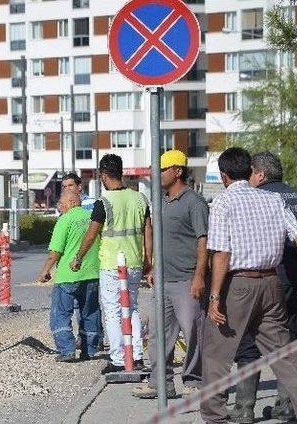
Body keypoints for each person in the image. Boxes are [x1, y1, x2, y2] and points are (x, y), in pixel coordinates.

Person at [201, 147, 297, 424]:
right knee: (285, 356)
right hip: (271, 283)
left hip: (238, 285)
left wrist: (215, 296)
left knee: (217, 355)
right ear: (249, 170)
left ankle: (215, 418)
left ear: (224, 175)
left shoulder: (222, 203)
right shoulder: (271, 200)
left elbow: (221, 253)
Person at [132, 150, 208, 399]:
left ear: (177, 171)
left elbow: (203, 241)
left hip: (187, 280)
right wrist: (153, 265)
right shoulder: (161, 201)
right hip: (163, 280)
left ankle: (194, 380)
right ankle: (160, 383)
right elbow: (162, 239)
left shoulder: (194, 202)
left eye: (162, 170)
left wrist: (199, 276)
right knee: (157, 336)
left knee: (193, 332)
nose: (157, 174)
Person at [70, 154, 152, 374]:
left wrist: (78, 257)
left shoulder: (103, 202)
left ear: (103, 175)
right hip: (134, 262)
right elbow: (148, 231)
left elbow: (91, 234)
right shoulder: (140, 199)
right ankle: (136, 355)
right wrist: (148, 260)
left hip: (111, 264)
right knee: (132, 308)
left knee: (114, 311)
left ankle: (117, 358)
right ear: (121, 172)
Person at [37, 191, 101, 362]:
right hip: (91, 274)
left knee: (60, 314)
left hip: (68, 275)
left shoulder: (65, 220)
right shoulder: (92, 218)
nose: (60, 206)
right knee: (90, 313)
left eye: (61, 203)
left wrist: (45, 270)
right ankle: (90, 351)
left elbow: (55, 252)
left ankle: (67, 350)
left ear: (73, 202)